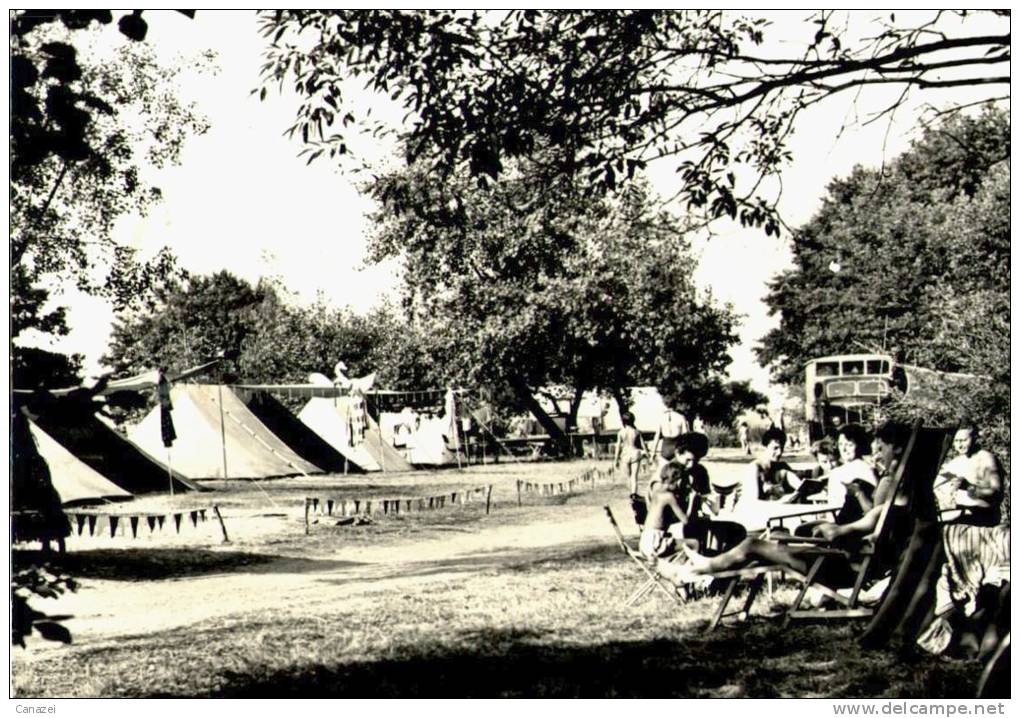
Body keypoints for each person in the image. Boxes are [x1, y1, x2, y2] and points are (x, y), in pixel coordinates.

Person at [660, 422, 913, 588]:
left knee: (753, 545)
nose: (877, 452)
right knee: (769, 542)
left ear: (899, 450)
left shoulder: (889, 495)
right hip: (855, 560)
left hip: (848, 565)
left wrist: (834, 530)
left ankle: (700, 570)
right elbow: (871, 522)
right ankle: (702, 573)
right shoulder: (905, 495)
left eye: (882, 447)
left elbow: (859, 530)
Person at [933, 424, 1003, 527]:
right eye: (956, 441)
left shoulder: (985, 459)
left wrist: (969, 490)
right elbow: (938, 483)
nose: (959, 445)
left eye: (963, 440)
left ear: (975, 438)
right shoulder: (954, 463)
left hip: (983, 516)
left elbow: (997, 492)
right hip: (957, 514)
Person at [733, 427, 803, 506]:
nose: (779, 452)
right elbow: (752, 503)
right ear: (765, 447)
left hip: (773, 513)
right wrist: (781, 503)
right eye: (775, 448)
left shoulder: (782, 467)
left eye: (782, 448)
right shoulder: (755, 468)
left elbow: (800, 486)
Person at [639, 463, 695, 558]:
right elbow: (686, 521)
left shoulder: (657, 491)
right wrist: (692, 500)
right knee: (694, 543)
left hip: (645, 541)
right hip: (655, 542)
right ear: (679, 480)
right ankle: (691, 571)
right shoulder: (669, 496)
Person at [614, 411, 648, 496]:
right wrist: (647, 454)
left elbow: (618, 446)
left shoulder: (620, 432)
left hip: (625, 454)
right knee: (634, 477)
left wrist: (616, 459)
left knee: (628, 476)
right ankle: (634, 494)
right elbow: (643, 444)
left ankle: (631, 492)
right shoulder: (636, 431)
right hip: (635, 453)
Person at [651, 400, 689, 465]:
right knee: (678, 472)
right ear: (675, 406)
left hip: (665, 448)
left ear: (665, 405)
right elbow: (686, 436)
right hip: (677, 448)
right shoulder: (681, 417)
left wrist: (653, 452)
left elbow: (656, 437)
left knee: (664, 472)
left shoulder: (661, 418)